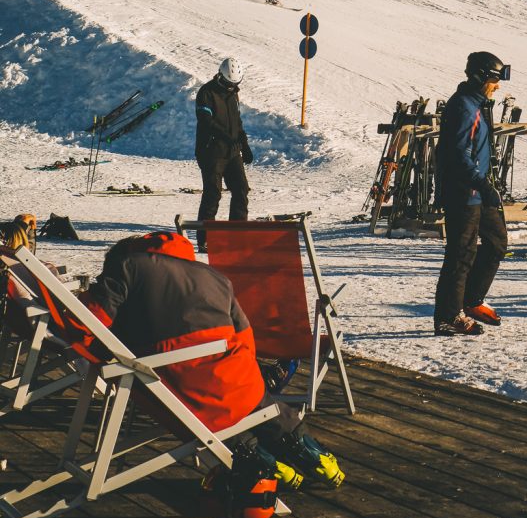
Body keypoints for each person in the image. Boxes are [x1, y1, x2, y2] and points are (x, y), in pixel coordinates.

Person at [78, 231, 343, 489]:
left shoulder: (127, 266)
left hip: (177, 386)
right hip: (236, 378)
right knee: (258, 403)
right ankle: (316, 457)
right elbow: (244, 335)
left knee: (213, 418)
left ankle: (269, 468)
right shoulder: (215, 277)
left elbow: (91, 320)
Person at [433, 50, 510, 338]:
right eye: (494, 79)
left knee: (496, 242)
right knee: (461, 255)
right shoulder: (465, 107)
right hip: (463, 192)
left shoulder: (476, 104)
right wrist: (483, 184)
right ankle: (448, 316)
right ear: (479, 78)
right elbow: (458, 155)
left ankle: (472, 299)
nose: (497, 86)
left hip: (477, 189)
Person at [196, 57, 253, 250]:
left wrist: (244, 145)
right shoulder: (207, 92)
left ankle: (237, 235)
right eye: (229, 83)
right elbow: (206, 121)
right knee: (213, 193)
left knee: (241, 189)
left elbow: (237, 123)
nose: (231, 87)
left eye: (235, 84)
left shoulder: (233, 95)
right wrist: (227, 138)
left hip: (232, 152)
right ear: (221, 76)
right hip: (211, 151)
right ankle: (205, 239)